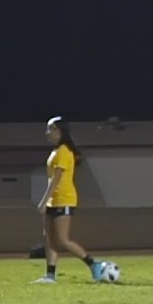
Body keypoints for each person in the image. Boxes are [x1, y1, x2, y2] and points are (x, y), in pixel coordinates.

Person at [33, 116, 105, 283]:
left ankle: (94, 264)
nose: (47, 133)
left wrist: (43, 201)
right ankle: (50, 275)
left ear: (60, 131)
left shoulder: (65, 151)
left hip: (64, 199)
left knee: (62, 240)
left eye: (51, 129)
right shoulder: (55, 151)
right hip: (54, 200)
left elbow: (56, 179)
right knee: (49, 239)